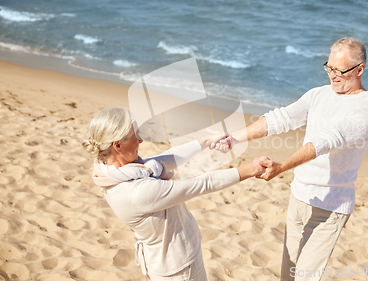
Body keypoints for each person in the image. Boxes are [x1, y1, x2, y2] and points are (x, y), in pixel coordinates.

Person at [211, 38, 368, 281]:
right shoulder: (319, 94)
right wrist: (234, 138)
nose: (332, 75)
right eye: (329, 68)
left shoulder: (366, 110)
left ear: (359, 70)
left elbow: (326, 141)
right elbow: (282, 118)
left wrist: (281, 167)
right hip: (299, 196)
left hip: (329, 207)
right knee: (287, 275)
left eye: (339, 71)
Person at [82, 107, 266, 281]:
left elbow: (166, 159)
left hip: (166, 261)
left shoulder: (110, 170)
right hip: (179, 269)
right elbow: (203, 183)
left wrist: (205, 142)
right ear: (117, 145)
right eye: (135, 136)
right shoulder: (138, 192)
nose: (140, 141)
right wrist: (252, 169)